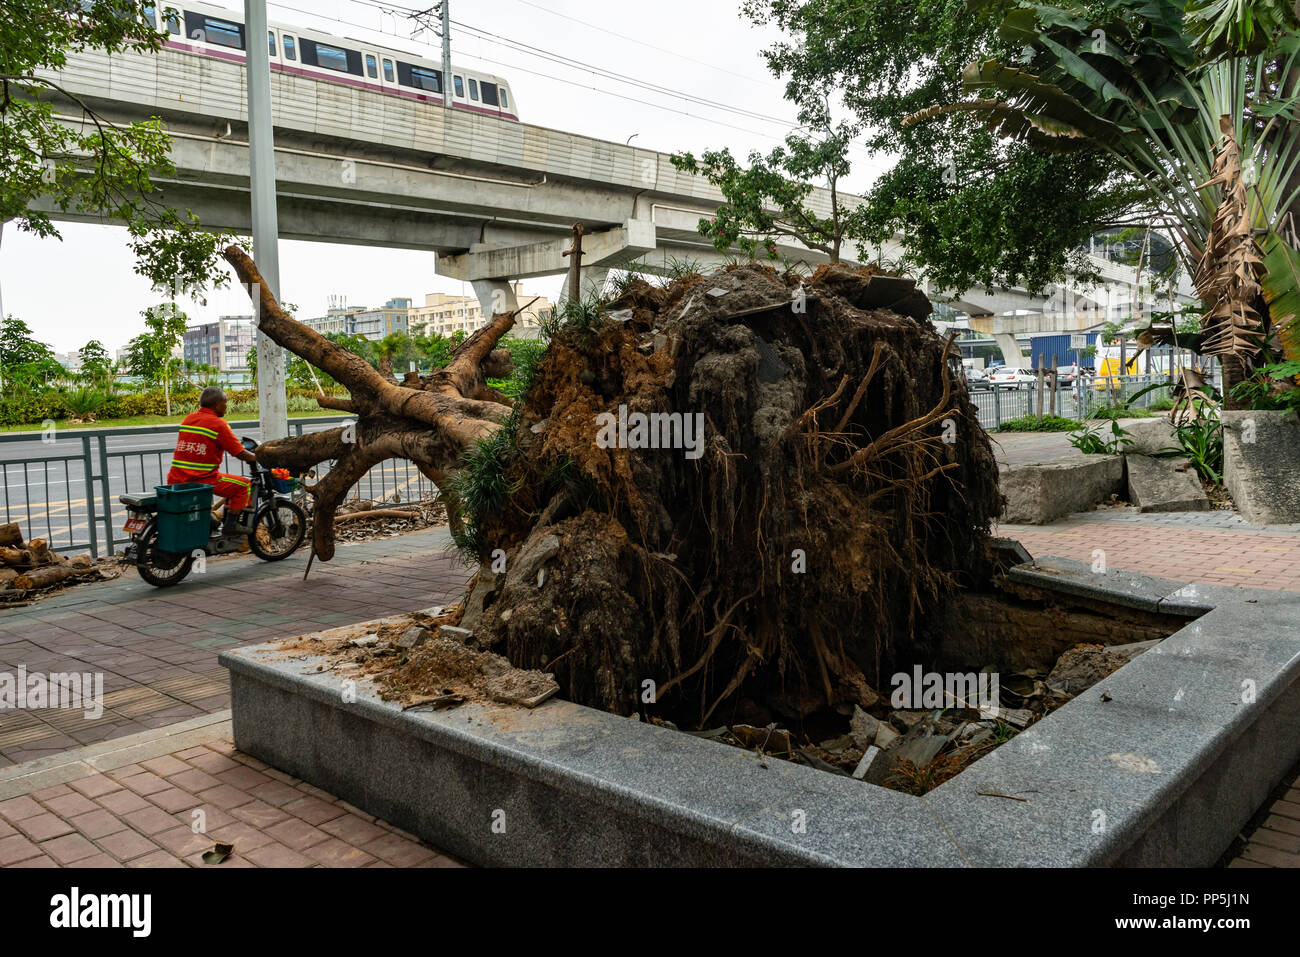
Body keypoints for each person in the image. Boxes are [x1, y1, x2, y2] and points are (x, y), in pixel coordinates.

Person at [166, 387, 258, 534]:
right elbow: (239, 452)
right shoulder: (218, 425)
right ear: (217, 405)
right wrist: (258, 457)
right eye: (225, 402)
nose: (227, 406)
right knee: (244, 485)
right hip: (202, 480)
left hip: (176, 479)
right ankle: (231, 525)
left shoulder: (189, 419)